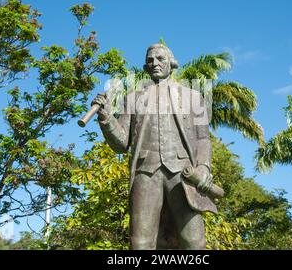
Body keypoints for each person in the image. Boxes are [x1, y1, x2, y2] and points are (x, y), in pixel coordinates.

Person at [91, 43, 217, 249]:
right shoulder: (132, 99)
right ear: (145, 67)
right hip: (146, 173)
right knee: (140, 242)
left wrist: (203, 167)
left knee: (193, 239)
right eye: (150, 60)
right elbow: (121, 144)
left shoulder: (193, 97)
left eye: (160, 59)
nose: (155, 63)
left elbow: (203, 139)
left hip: (183, 174)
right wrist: (106, 119)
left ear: (172, 63)